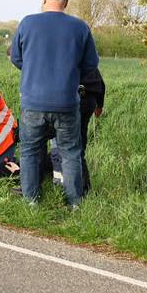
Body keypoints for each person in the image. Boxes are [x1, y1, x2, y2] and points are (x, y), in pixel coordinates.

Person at [10, 0, 99, 210]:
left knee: (29, 151)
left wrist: (34, 71)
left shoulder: (28, 23)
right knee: (70, 152)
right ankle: (74, 203)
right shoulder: (80, 28)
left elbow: (16, 58)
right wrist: (69, 75)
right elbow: (91, 65)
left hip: (32, 101)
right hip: (67, 102)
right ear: (66, 3)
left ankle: (30, 201)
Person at [48, 65, 105, 197]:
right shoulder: (86, 57)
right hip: (89, 100)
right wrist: (100, 105)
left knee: (60, 145)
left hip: (71, 100)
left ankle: (63, 187)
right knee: (78, 146)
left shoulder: (65, 55)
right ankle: (83, 189)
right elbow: (101, 82)